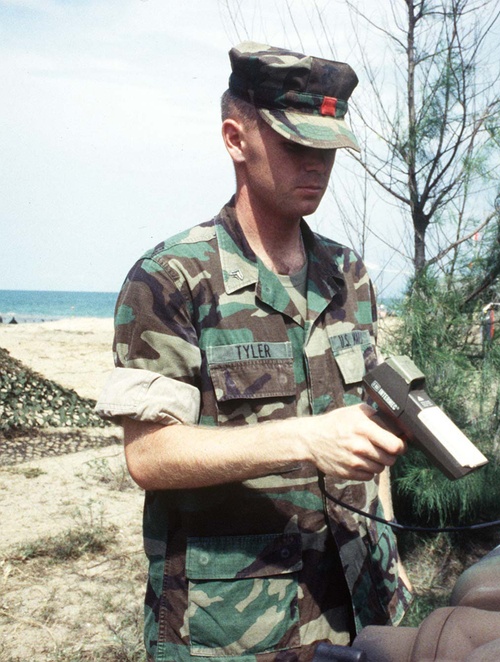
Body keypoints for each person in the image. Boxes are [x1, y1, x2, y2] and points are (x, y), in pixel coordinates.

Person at [96, 42, 411, 661]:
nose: (316, 165)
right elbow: (150, 456)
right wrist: (304, 439)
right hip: (239, 625)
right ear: (235, 139)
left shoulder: (348, 274)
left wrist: (391, 549)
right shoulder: (173, 278)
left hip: (362, 601)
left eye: (327, 149)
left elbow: (370, 428)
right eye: (296, 145)